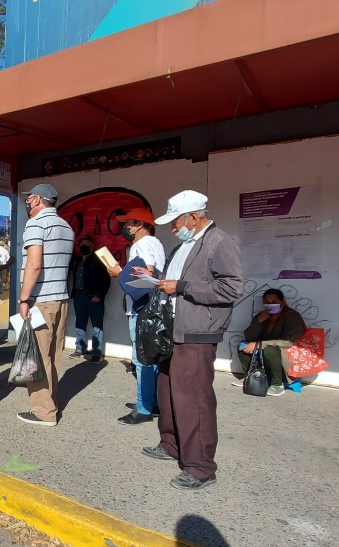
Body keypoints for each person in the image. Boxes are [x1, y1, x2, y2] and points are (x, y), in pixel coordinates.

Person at [142, 190, 243, 490]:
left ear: (194, 217)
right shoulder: (184, 245)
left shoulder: (219, 242)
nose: (172, 228)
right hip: (172, 330)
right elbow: (175, 283)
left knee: (193, 399)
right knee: (168, 391)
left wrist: (182, 286)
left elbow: (231, 288)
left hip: (197, 332)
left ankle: (200, 466)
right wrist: (155, 280)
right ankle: (171, 444)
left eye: (175, 222)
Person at [17, 184, 75, 426]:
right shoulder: (66, 226)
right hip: (61, 298)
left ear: (38, 199)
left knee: (38, 356)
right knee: (53, 355)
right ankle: (50, 401)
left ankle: (43, 411)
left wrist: (23, 298)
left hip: (41, 299)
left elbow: (34, 265)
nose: (27, 203)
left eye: (29, 199)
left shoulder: (36, 224)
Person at [107, 208, 166, 425]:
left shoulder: (142, 244)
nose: (126, 228)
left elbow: (147, 273)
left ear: (141, 224)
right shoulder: (155, 244)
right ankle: (153, 402)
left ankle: (143, 408)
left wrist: (118, 273)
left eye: (129, 223)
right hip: (151, 305)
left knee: (141, 360)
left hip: (142, 308)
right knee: (151, 358)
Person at [235, 288, 306, 397]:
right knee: (242, 345)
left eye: (274, 302)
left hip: (285, 352)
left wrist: (260, 345)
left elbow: (287, 342)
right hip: (265, 348)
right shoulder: (264, 315)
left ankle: (277, 385)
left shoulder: (291, 316)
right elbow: (249, 337)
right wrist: (258, 322)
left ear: (283, 302)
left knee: (269, 350)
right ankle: (249, 376)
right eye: (267, 302)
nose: (270, 305)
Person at [69, 235, 111, 364]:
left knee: (96, 325)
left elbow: (106, 279)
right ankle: (80, 348)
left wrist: (99, 295)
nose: (84, 248)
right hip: (79, 296)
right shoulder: (77, 260)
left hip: (93, 297)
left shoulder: (99, 259)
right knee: (80, 323)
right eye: (82, 245)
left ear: (92, 247)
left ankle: (96, 352)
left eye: (87, 245)